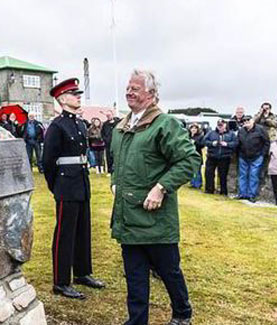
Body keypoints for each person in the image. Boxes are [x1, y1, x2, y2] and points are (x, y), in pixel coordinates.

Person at [110, 70, 199, 325]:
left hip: (156, 219)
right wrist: (115, 182)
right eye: (128, 87)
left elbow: (189, 160)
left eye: (135, 88)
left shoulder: (165, 124)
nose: (129, 92)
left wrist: (161, 188)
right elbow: (116, 163)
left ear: (151, 95)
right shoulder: (121, 127)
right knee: (135, 275)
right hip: (128, 216)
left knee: (169, 271)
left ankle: (182, 314)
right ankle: (137, 321)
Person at [42, 77, 105, 300]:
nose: (78, 96)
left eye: (78, 93)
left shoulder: (80, 124)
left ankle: (82, 272)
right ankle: (61, 281)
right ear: (61, 99)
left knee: (82, 230)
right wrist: (56, 186)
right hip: (66, 184)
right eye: (73, 94)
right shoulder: (57, 126)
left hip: (81, 182)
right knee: (64, 234)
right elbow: (47, 161)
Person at [237, 115, 270, 202]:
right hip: (243, 156)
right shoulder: (241, 131)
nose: (246, 122)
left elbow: (266, 142)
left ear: (253, 121)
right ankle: (242, 194)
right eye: (244, 120)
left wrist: (263, 154)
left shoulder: (260, 129)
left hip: (257, 156)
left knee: (254, 176)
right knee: (242, 176)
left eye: (248, 120)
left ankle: (252, 195)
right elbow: (238, 143)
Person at [202, 119, 238, 195]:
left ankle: (223, 191)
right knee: (209, 173)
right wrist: (212, 143)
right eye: (219, 125)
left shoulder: (231, 134)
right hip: (212, 156)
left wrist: (227, 144)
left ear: (225, 125)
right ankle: (209, 189)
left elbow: (236, 143)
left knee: (223, 175)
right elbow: (204, 141)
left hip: (224, 157)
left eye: (222, 125)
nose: (220, 127)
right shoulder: (211, 133)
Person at [188, 123, 204, 189]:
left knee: (197, 170)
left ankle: (198, 183)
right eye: (192, 128)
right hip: (189, 155)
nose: (193, 129)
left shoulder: (200, 136)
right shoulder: (188, 136)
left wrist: (195, 142)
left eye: (195, 128)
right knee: (191, 169)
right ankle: (192, 182)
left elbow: (202, 145)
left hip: (197, 155)